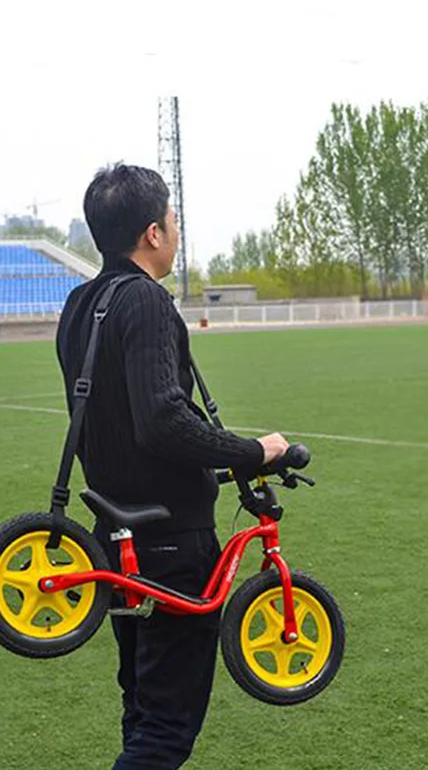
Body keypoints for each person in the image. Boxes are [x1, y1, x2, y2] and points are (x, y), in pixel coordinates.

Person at [56, 163, 288, 769]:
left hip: (116, 534)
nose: (178, 232)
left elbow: (111, 420)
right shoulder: (147, 302)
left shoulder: (79, 304)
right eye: (173, 220)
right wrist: (252, 451)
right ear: (153, 233)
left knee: (142, 709)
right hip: (170, 544)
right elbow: (161, 421)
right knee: (163, 732)